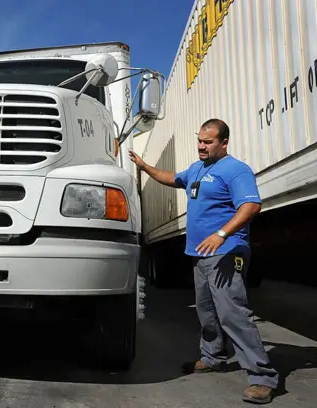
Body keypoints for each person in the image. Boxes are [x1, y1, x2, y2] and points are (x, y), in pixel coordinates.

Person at [129, 119, 279, 404]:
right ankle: (213, 358)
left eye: (208, 142)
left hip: (226, 252)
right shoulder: (198, 169)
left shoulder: (235, 170)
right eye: (199, 140)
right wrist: (144, 166)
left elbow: (251, 205)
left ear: (224, 143)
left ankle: (262, 377)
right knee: (206, 311)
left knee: (232, 313)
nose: (201, 146)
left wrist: (221, 234)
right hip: (200, 255)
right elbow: (172, 178)